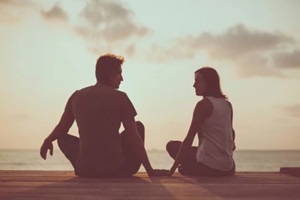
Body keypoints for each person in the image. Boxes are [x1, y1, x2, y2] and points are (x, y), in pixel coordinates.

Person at [40, 53, 167, 177]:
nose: (122, 78)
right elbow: (133, 136)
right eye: (119, 73)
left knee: (61, 137)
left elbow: (62, 128)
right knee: (138, 127)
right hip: (116, 168)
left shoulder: (76, 96)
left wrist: (48, 140)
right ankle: (111, 169)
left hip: (86, 169)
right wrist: (150, 170)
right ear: (108, 74)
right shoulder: (121, 97)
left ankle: (85, 166)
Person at [166, 67, 236, 176]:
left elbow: (189, 138)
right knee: (191, 152)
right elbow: (231, 134)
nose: (194, 85)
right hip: (229, 168)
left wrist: (171, 171)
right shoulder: (227, 105)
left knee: (172, 146)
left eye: (197, 81)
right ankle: (191, 166)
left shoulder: (204, 105)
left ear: (208, 83)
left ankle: (190, 168)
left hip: (208, 167)